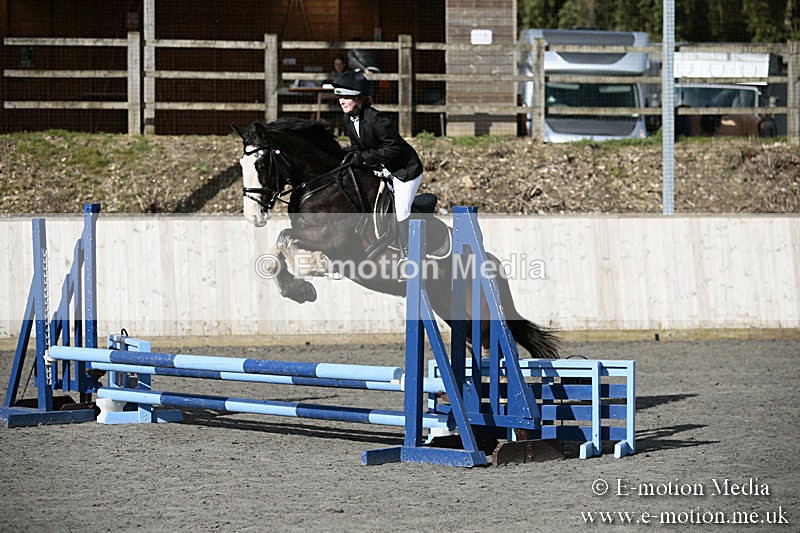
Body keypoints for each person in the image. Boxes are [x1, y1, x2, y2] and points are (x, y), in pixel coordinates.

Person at [331, 70, 422, 224]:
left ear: (359, 98)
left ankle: (407, 239)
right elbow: (356, 147)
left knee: (401, 213)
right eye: (340, 97)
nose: (341, 101)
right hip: (381, 169)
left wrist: (363, 157)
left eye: (346, 97)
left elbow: (394, 148)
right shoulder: (347, 119)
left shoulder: (377, 119)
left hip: (404, 171)